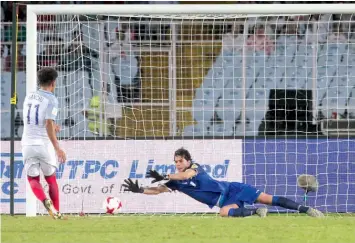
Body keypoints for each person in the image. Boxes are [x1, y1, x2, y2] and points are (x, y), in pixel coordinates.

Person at [122, 148, 324, 218]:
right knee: (223, 213)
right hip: (224, 200)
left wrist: (165, 174)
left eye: (180, 161)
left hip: (233, 188)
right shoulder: (175, 181)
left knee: (268, 198)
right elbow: (158, 190)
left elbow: (185, 176)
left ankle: (306, 209)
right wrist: (139, 189)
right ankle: (256, 212)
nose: (178, 164)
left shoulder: (195, 168)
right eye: (175, 162)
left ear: (188, 161)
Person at [22, 67, 66, 220]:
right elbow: (47, 122)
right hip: (43, 144)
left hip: (27, 143)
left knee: (33, 179)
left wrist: (53, 125)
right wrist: (58, 148)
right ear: (53, 83)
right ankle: (57, 212)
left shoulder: (29, 96)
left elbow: (35, 119)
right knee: (50, 178)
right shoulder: (51, 99)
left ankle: (45, 201)